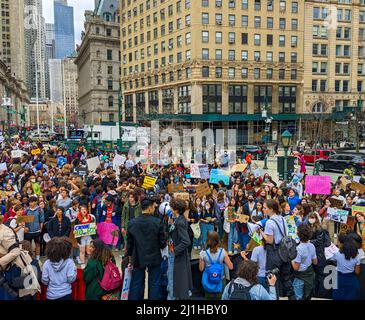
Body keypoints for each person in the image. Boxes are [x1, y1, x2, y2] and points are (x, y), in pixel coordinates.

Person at [126, 198, 167, 300]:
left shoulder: (132, 223)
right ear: (149, 208)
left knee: (136, 283)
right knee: (154, 284)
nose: (154, 209)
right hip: (154, 256)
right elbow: (162, 243)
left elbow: (129, 244)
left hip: (138, 256)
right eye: (153, 207)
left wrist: (129, 258)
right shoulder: (157, 222)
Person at [259, 199, 295, 300]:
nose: (263, 209)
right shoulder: (282, 218)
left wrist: (262, 233)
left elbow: (269, 240)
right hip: (285, 252)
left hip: (274, 253)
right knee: (286, 279)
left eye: (265, 208)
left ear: (271, 209)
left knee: (272, 280)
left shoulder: (270, 222)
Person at [169, 198, 193, 300]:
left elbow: (186, 241)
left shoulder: (180, 222)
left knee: (179, 280)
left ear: (175, 209)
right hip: (179, 254)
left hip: (178, 255)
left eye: (171, 207)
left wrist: (175, 250)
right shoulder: (180, 219)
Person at [200, 231, 233, 299]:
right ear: (218, 240)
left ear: (207, 240)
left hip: (208, 280)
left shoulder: (203, 253)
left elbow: (201, 269)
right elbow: (231, 267)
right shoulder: (223, 252)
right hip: (220, 280)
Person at [307, 212, 331, 298]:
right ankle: (314, 293)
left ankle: (321, 295)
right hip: (311, 254)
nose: (311, 219)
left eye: (313, 217)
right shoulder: (308, 227)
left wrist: (309, 241)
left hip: (319, 254)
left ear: (316, 219)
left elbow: (319, 241)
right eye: (310, 217)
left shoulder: (319, 228)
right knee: (314, 276)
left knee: (321, 275)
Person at [291, 224, 317, 300]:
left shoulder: (298, 249)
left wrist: (291, 259)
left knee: (298, 297)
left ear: (298, 234)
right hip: (310, 276)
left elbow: (296, 267)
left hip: (300, 277)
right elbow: (315, 262)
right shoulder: (312, 246)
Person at [332, 234, 361, 300]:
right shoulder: (356, 256)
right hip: (352, 282)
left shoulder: (337, 254)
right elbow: (357, 272)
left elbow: (334, 261)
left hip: (339, 281)